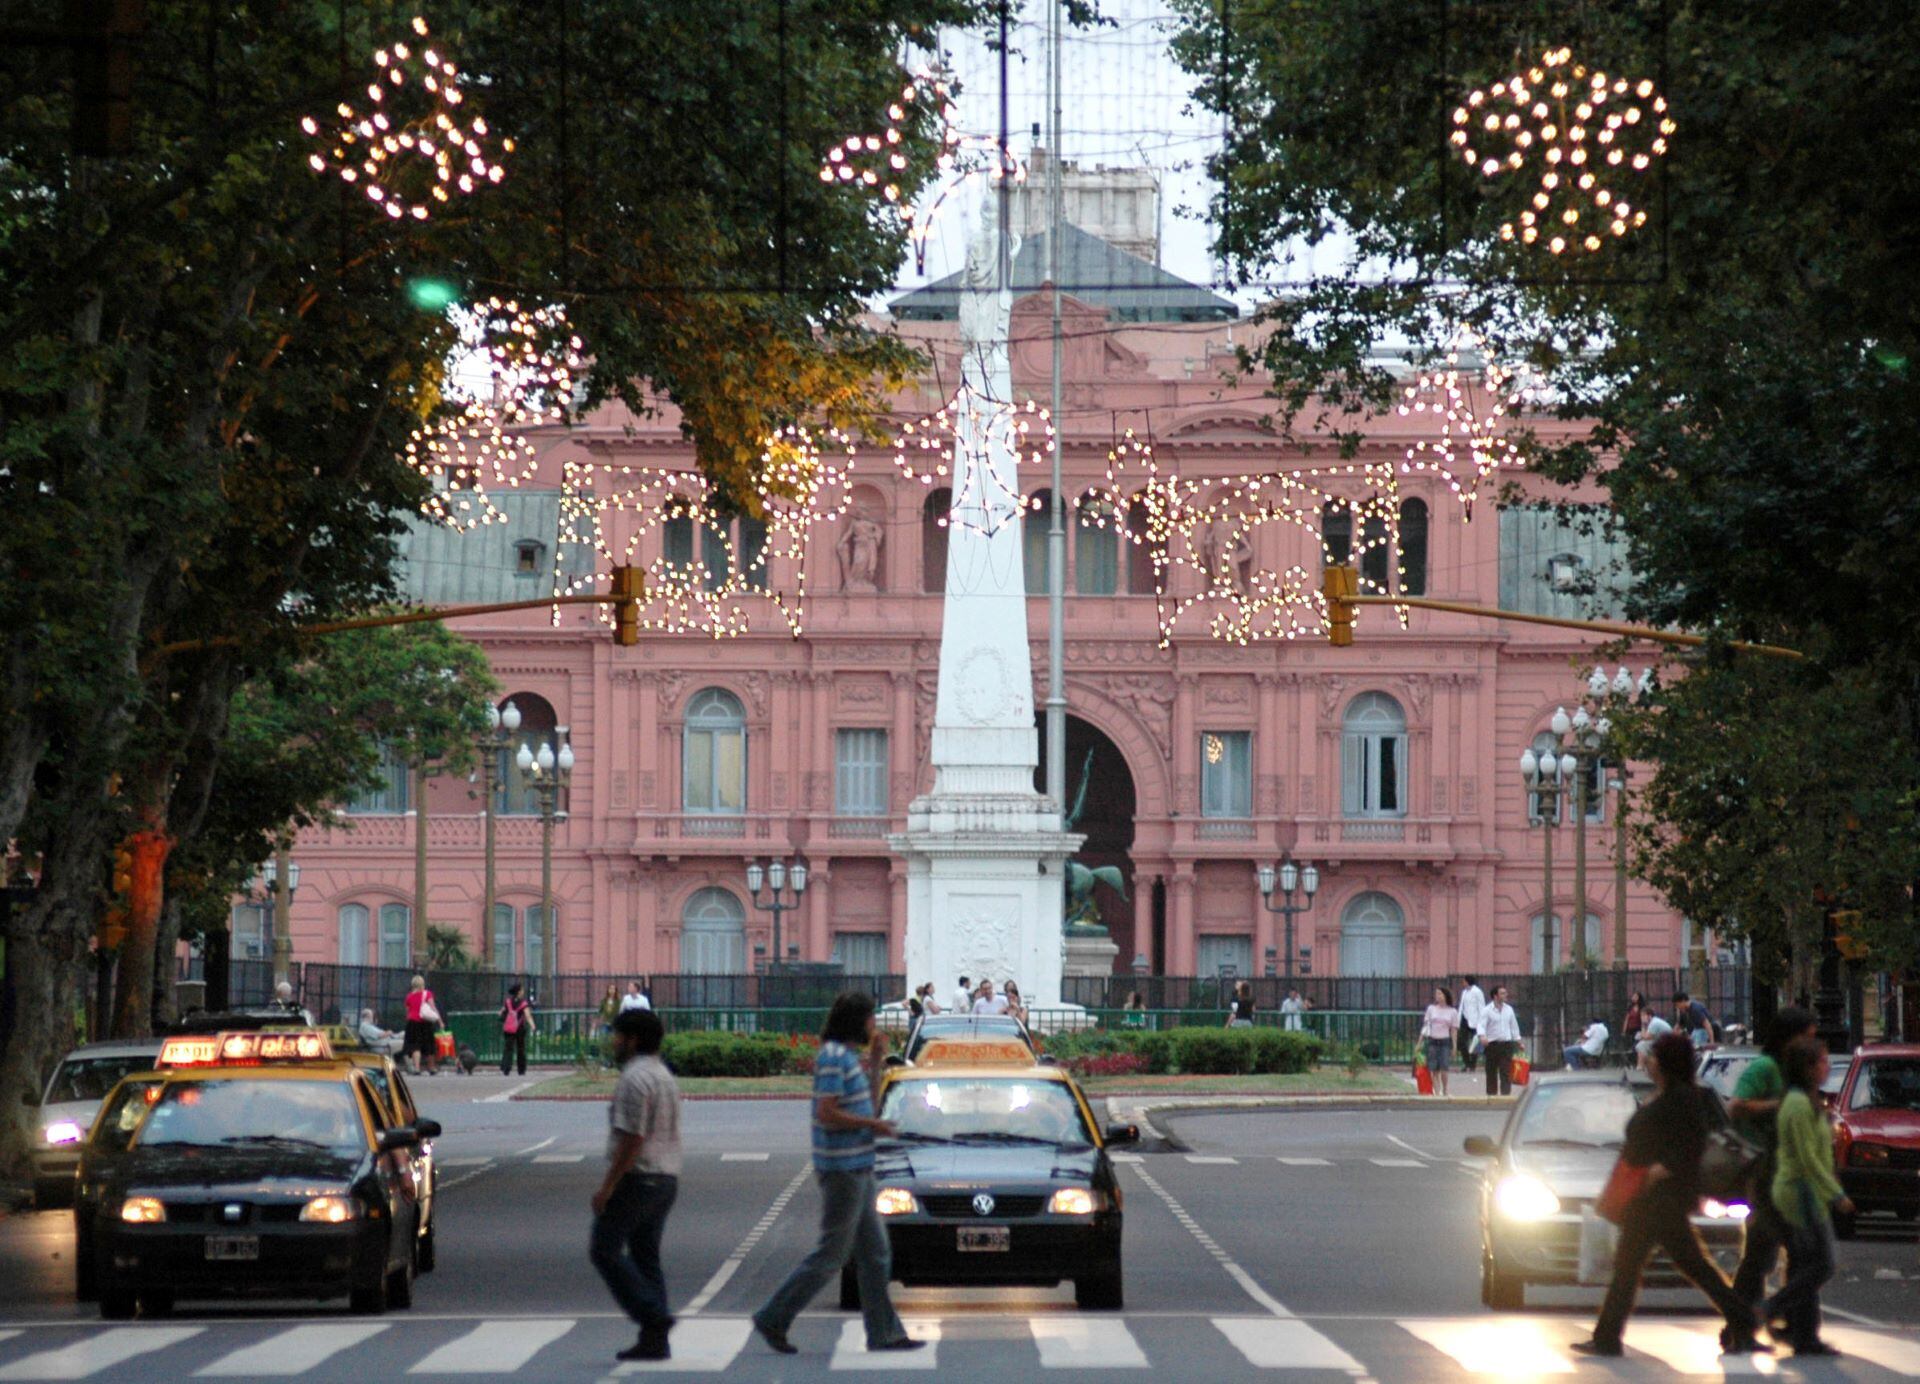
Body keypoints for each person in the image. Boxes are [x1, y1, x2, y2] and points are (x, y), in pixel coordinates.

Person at [1571, 1033, 1767, 1357]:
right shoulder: (1664, 1094)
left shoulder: (1683, 1097)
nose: (1648, 1061)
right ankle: (1607, 1336)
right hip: (1650, 1197)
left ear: (1666, 1062)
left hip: (1663, 1198)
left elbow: (1694, 1143)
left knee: (1661, 1266)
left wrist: (1662, 1169)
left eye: (1653, 1056)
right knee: (1653, 1266)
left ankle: (1608, 1337)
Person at [752, 993, 922, 1357]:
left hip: (859, 1166)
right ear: (855, 1021)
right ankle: (773, 1316)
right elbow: (827, 1113)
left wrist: (875, 1065)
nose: (874, 1025)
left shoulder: (849, 1059)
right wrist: (871, 1125)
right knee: (832, 1253)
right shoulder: (832, 1058)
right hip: (842, 1169)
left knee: (876, 1254)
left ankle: (884, 1333)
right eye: (870, 1018)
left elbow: (870, 1108)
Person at [590, 1008, 683, 1363]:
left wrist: (608, 1186)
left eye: (617, 1036)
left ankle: (653, 1315)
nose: (613, 1043)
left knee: (604, 1248)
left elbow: (633, 1138)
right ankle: (655, 1340)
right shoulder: (663, 1075)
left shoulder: (634, 1079)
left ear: (633, 1040)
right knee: (646, 1256)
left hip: (639, 1177)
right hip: (667, 1176)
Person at [1728, 1007, 1817, 1322]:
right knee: (1769, 1255)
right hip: (1766, 1171)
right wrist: (1777, 1106)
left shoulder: (1795, 1071)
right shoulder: (1765, 1067)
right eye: (1807, 1038)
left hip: (1788, 1172)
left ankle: (1781, 1323)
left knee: (1781, 1254)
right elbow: (1735, 1106)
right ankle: (1749, 1322)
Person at [1764, 1035, 1851, 1357]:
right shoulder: (1798, 1104)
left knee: (1804, 1264)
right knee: (1823, 1263)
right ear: (1807, 1068)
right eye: (1823, 1061)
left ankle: (1803, 1335)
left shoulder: (1809, 1101)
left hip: (1808, 1189)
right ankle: (1772, 1307)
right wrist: (1836, 1193)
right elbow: (1807, 1158)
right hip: (1799, 1191)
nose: (1827, 1066)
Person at [1479, 985, 1522, 1096]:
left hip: (1506, 1045)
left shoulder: (1509, 1009)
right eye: (1502, 993)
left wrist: (1518, 1040)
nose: (1506, 995)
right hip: (1492, 1045)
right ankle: (1492, 1095)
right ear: (1495, 996)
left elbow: (1514, 1026)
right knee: (1491, 1072)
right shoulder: (1487, 1010)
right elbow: (1481, 1025)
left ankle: (1505, 1095)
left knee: (1505, 1071)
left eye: (1505, 993)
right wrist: (1482, 1036)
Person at [1420, 986, 1459, 1097]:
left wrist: (1454, 1045)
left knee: (1444, 1068)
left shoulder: (1452, 1011)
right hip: (1433, 1040)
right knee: (1434, 1068)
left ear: (1445, 996)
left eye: (1440, 994)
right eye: (1436, 994)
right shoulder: (1431, 1009)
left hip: (1444, 1041)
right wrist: (1420, 1041)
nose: (1438, 996)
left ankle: (1445, 1089)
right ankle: (1437, 1091)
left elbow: (1453, 1030)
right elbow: (1426, 1026)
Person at [402, 974, 441, 1076]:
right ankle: (431, 1068)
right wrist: (440, 1021)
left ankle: (417, 1068)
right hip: (425, 1022)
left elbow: (407, 1011)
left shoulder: (409, 996)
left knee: (415, 1046)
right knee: (429, 1045)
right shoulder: (427, 994)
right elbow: (433, 1007)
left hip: (412, 1023)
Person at [500, 983, 535, 1077]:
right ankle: (521, 1069)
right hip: (519, 1029)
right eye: (522, 990)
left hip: (508, 1029)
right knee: (520, 1049)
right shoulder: (523, 1003)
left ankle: (506, 1068)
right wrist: (532, 1025)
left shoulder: (507, 1002)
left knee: (508, 1048)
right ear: (519, 992)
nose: (523, 992)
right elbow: (527, 1015)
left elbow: (501, 1012)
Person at [1458, 977, 1487, 1073]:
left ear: (1467, 982)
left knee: (1475, 1043)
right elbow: (1462, 1006)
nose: (1463, 983)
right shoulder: (1464, 992)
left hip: (1475, 1020)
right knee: (1461, 1042)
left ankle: (1472, 1064)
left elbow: (1481, 1006)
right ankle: (1467, 1062)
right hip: (1465, 1019)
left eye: (1464, 981)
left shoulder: (1477, 992)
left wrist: (1482, 1022)